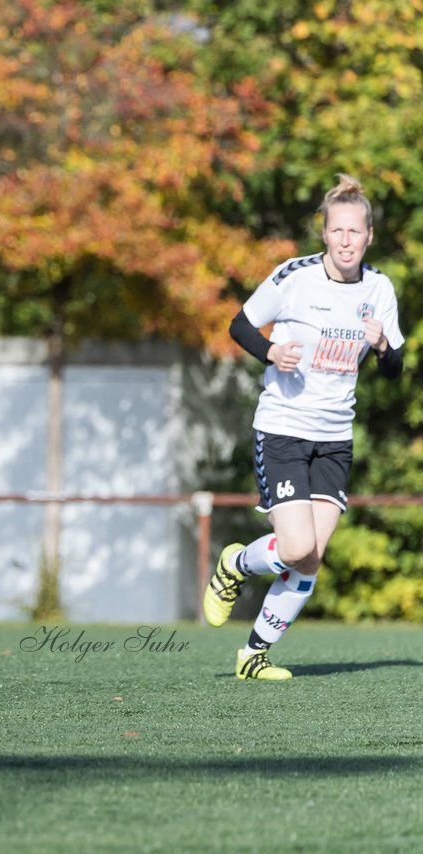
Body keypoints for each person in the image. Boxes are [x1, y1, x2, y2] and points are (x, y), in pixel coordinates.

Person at [203, 174, 404, 680]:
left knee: (312, 559)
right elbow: (240, 324)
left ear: (368, 236)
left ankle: (253, 656)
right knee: (294, 548)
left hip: (335, 439)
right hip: (284, 428)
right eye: (336, 230)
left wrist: (382, 346)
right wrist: (271, 350)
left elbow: (395, 367)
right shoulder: (295, 276)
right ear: (325, 234)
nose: (344, 240)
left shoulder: (379, 288)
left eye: (354, 232)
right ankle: (236, 565)